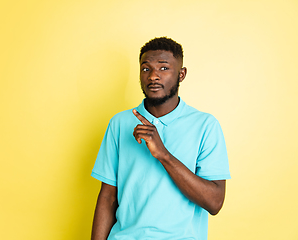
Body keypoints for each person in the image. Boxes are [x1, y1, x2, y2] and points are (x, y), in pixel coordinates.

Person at [91, 37, 231, 240]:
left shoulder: (205, 125)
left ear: (181, 74)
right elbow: (108, 197)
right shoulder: (119, 123)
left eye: (164, 68)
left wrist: (163, 155)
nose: (153, 76)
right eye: (146, 69)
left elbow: (215, 202)